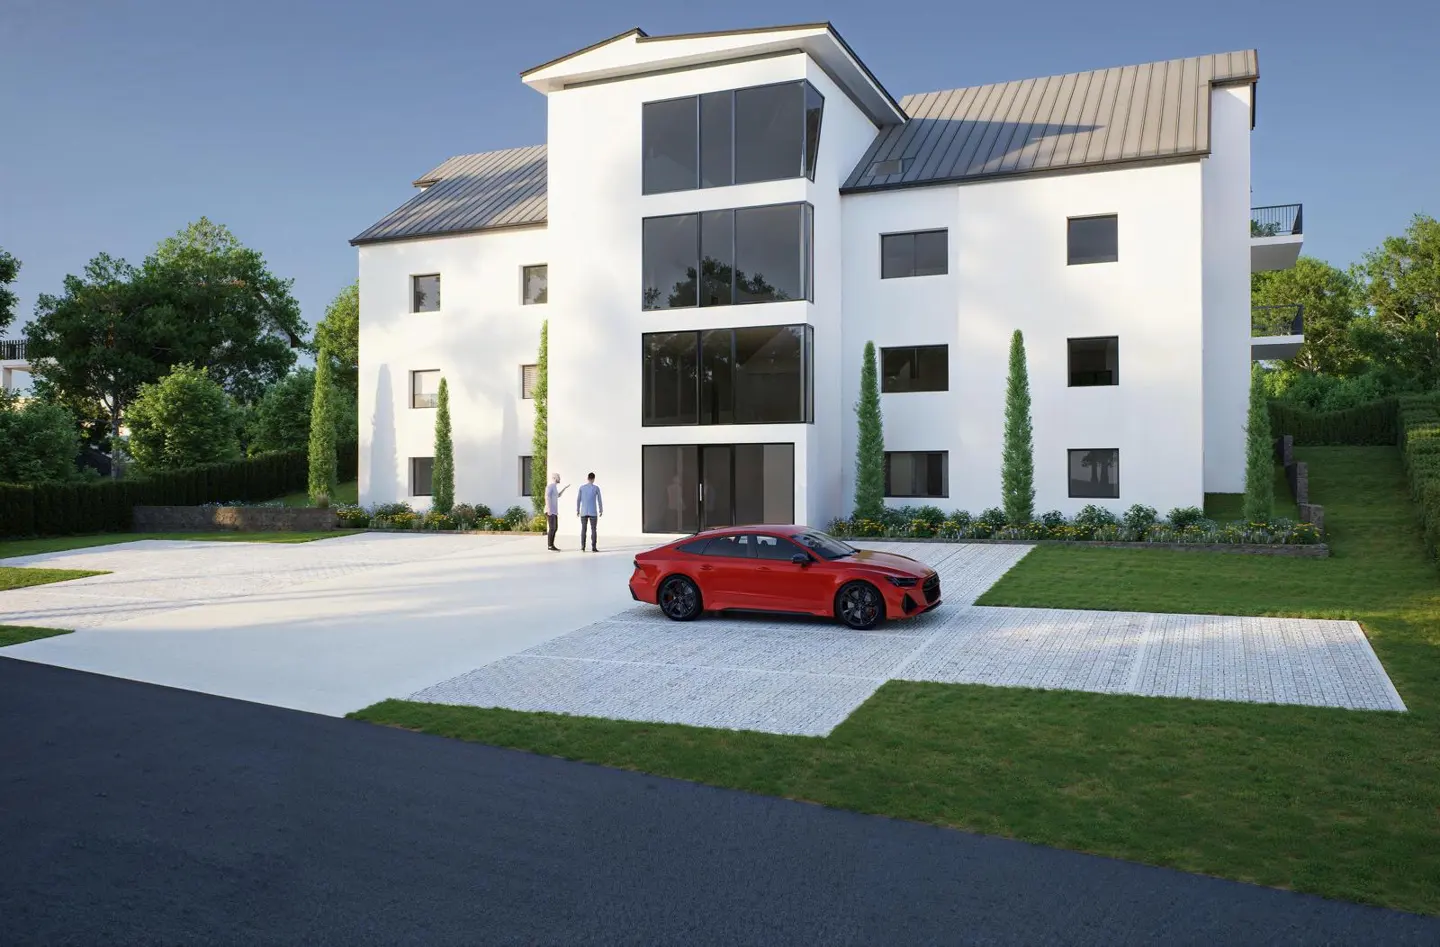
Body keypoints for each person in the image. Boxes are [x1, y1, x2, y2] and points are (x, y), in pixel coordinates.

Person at [576, 472, 603, 552]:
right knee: (594, 529)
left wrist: (577, 510)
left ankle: (583, 546)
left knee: (583, 529)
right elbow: (599, 500)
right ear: (594, 479)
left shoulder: (582, 488)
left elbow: (578, 500)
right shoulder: (596, 488)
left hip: (583, 511)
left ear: (587, 478)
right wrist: (601, 509)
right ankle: (594, 547)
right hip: (593, 512)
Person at [545, 473, 569, 551]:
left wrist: (564, 488)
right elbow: (547, 497)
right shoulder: (550, 486)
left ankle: (552, 545)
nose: (560, 479)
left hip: (554, 511)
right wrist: (548, 509)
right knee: (552, 528)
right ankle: (550, 546)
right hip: (550, 511)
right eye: (559, 477)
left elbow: (558, 495)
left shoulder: (555, 487)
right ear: (555, 478)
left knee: (555, 528)